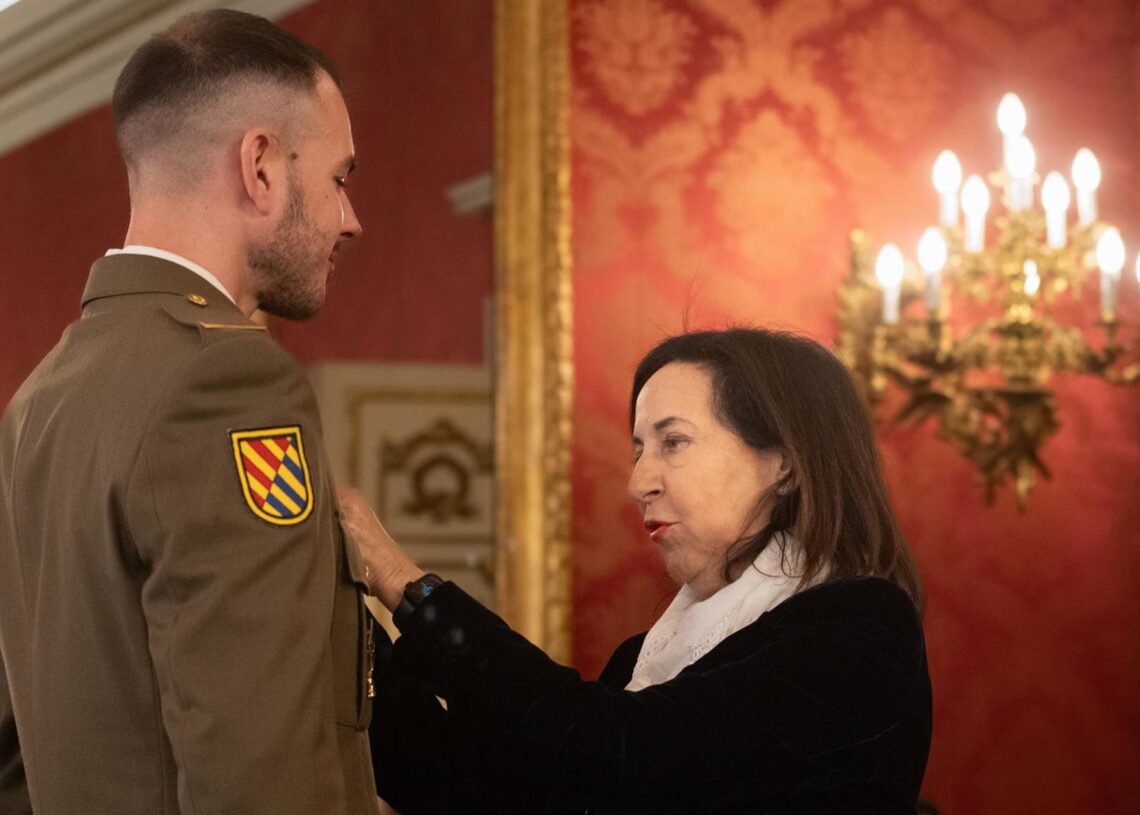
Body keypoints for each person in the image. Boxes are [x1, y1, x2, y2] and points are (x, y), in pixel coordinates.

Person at [0, 10, 379, 814]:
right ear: (261, 166)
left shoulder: (40, 400)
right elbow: (257, 769)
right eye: (341, 177)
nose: (351, 217)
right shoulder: (227, 383)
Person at [341, 327, 933, 814]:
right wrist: (342, 628)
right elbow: (481, 793)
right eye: (638, 450)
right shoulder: (643, 659)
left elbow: (619, 758)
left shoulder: (861, 627)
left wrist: (402, 581)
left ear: (784, 464)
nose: (637, 482)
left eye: (673, 443)